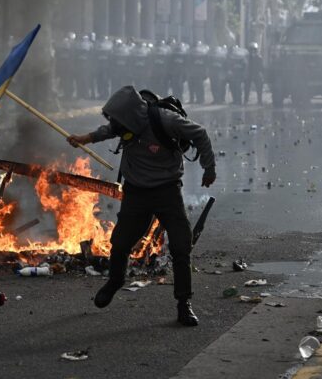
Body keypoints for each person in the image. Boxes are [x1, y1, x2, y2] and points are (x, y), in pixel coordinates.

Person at [66, 85, 216, 327]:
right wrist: (86, 138)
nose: (117, 125)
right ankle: (115, 281)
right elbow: (109, 130)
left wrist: (209, 168)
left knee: (181, 246)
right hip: (136, 192)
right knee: (120, 242)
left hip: (167, 191)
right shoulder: (125, 122)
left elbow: (200, 133)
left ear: (132, 116)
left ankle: (183, 303)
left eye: (119, 121)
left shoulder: (166, 121)